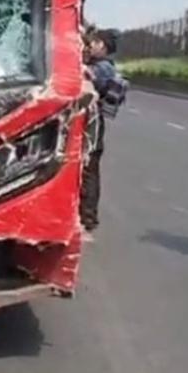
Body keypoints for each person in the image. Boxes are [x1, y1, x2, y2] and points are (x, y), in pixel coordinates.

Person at [79, 27, 122, 232]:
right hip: (91, 121)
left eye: (93, 43)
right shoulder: (102, 65)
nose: (90, 47)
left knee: (89, 169)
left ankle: (88, 216)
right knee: (87, 168)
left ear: (102, 45)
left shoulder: (103, 67)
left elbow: (84, 77)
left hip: (93, 123)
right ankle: (86, 214)